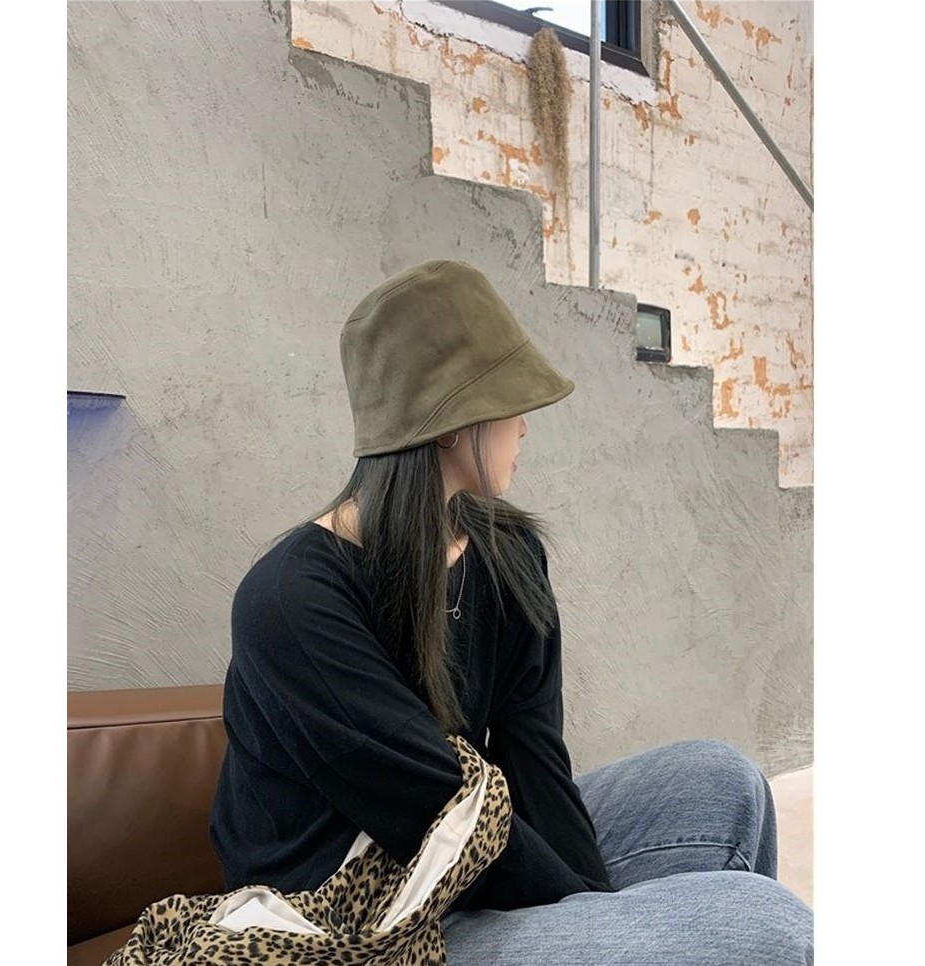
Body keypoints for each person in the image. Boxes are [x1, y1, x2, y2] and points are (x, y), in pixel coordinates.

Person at [209, 259, 814, 964]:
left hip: (464, 861)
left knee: (724, 783)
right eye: (510, 401)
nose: (525, 425)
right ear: (448, 425)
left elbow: (534, 756)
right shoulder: (290, 601)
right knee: (767, 924)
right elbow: (436, 809)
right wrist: (598, 920)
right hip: (351, 920)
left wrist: (595, 906)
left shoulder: (506, 553)